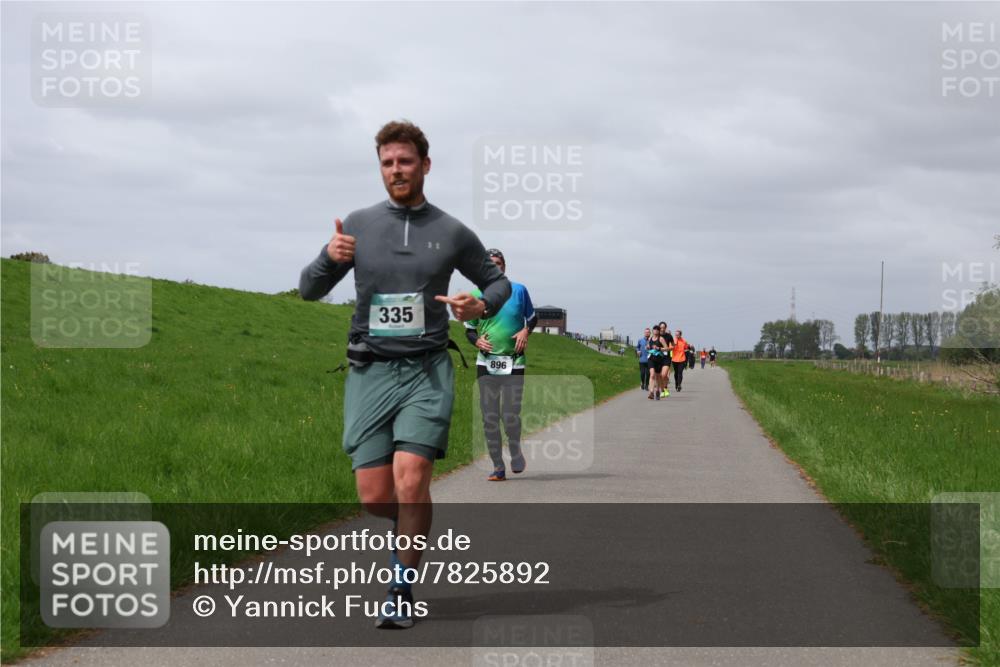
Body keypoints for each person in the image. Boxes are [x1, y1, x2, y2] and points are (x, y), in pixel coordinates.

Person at [299, 120, 511, 629]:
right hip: (369, 370)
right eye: (388, 162)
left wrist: (477, 304)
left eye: (406, 161)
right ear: (381, 168)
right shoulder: (359, 223)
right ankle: (405, 522)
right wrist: (329, 260)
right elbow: (307, 289)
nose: (396, 170)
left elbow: (498, 283)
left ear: (425, 166)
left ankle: (400, 587)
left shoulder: (452, 231)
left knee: (412, 480)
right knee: (376, 496)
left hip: (426, 369)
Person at [465, 249, 537, 481]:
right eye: (490, 264)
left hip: (514, 362)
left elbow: (532, 317)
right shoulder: (476, 294)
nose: (495, 267)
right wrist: (477, 340)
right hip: (486, 363)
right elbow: (469, 329)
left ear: (504, 266)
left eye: (499, 263)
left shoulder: (519, 290)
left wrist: (526, 330)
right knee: (489, 417)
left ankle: (515, 450)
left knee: (510, 415)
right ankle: (498, 466)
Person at [647, 325, 668, 400]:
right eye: (654, 329)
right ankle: (651, 392)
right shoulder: (650, 338)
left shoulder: (661, 339)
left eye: (657, 330)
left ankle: (657, 390)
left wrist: (658, 348)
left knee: (658, 376)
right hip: (651, 358)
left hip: (659, 360)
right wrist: (647, 347)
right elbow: (648, 346)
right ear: (652, 331)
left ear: (659, 331)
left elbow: (666, 348)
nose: (655, 331)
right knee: (652, 374)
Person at [658, 321, 673, 397]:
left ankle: (665, 388)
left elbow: (671, 347)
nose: (662, 329)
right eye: (661, 327)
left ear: (666, 328)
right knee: (660, 375)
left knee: (664, 375)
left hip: (666, 357)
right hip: (658, 358)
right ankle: (662, 390)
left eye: (664, 327)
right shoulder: (656, 336)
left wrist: (665, 349)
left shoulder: (669, 336)